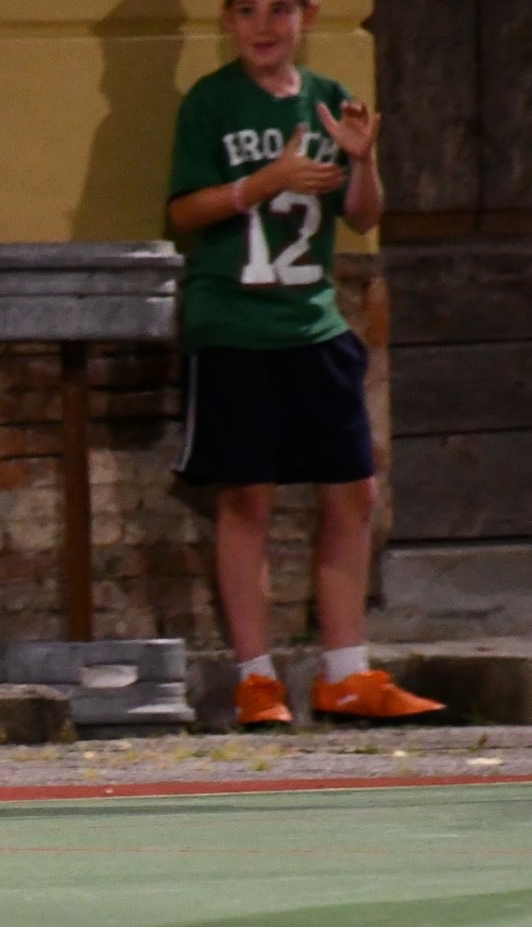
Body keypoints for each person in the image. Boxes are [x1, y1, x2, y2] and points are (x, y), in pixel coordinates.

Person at [166, 0, 441, 728]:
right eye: (247, 10)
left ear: (307, 17)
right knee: (247, 499)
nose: (264, 25)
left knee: (353, 494)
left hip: (313, 325)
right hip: (234, 325)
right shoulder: (210, 103)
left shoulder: (327, 98)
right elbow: (183, 214)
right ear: (228, 21)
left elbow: (363, 215)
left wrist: (363, 159)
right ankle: (256, 680)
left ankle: (346, 674)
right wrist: (266, 180)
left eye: (280, 9)